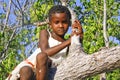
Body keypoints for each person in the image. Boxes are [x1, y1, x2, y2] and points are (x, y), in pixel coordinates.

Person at [10, 5, 83, 80]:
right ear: (50, 24)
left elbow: (76, 54)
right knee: (31, 65)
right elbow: (46, 52)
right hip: (33, 66)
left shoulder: (69, 44)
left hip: (48, 70)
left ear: (69, 23)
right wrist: (69, 40)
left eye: (64, 22)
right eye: (56, 22)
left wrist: (79, 37)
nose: (61, 26)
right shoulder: (46, 33)